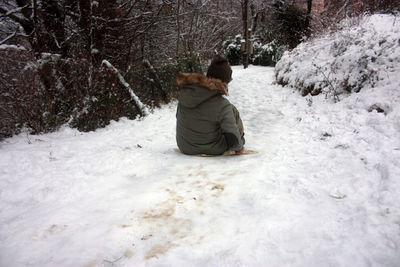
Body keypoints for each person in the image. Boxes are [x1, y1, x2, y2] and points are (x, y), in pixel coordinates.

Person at [176, 55, 245, 155]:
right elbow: (231, 133)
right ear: (225, 82)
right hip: (212, 148)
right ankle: (241, 140)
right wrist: (238, 147)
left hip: (185, 146)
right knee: (232, 110)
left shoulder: (185, 94)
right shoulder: (222, 104)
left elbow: (178, 116)